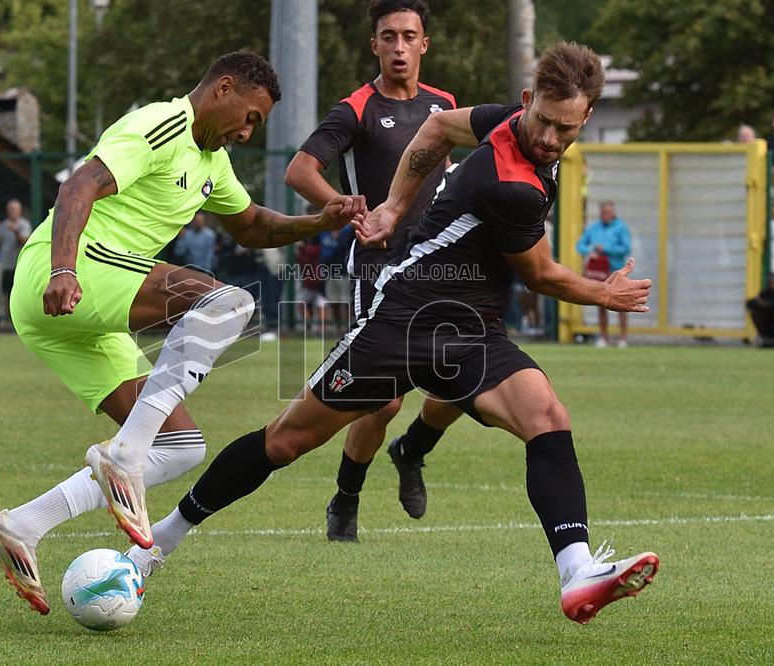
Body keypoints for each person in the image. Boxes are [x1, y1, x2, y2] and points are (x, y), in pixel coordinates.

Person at [144, 42, 659, 626]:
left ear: (586, 116)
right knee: (285, 441)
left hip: (473, 331)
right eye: (542, 121)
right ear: (526, 102)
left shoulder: (509, 125)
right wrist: (604, 293)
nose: (549, 137)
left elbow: (438, 127)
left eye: (565, 128)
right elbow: (539, 275)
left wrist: (392, 207)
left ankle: (576, 573)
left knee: (548, 418)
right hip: (406, 318)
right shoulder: (512, 181)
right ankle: (161, 540)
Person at [0, 51, 365, 615]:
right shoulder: (161, 125)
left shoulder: (213, 163)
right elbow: (77, 187)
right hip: (68, 273)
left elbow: (252, 226)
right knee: (226, 303)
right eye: (250, 116)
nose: (249, 132)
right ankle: (123, 456)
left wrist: (318, 220)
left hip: (82, 315)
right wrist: (62, 269)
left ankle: (23, 526)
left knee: (183, 447)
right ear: (223, 88)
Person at [283, 0, 464, 542]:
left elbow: (448, 172)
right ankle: (346, 499)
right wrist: (346, 205)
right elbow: (300, 169)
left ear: (424, 44)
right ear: (375, 45)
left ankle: (412, 452)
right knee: (382, 397)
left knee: (466, 376)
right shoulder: (355, 108)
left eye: (410, 36)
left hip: (440, 263)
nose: (400, 46)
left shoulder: (445, 106)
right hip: (379, 265)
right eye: (389, 36)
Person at [576, 201, 632, 347]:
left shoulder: (621, 227)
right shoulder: (594, 228)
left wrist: (606, 249)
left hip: (616, 270)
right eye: (602, 212)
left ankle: (623, 338)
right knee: (600, 303)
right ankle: (603, 337)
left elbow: (625, 248)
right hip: (599, 272)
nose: (605, 215)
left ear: (613, 212)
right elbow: (580, 245)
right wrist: (591, 251)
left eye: (607, 212)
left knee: (622, 304)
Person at [0, 199, 31, 319]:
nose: (11, 212)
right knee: (6, 293)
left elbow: (25, 241)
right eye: (10, 210)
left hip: (19, 265)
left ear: (19, 211)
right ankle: (7, 319)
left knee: (19, 294)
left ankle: (18, 319)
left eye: (14, 209)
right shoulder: (3, 224)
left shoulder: (24, 224)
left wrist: (15, 230)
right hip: (6, 265)